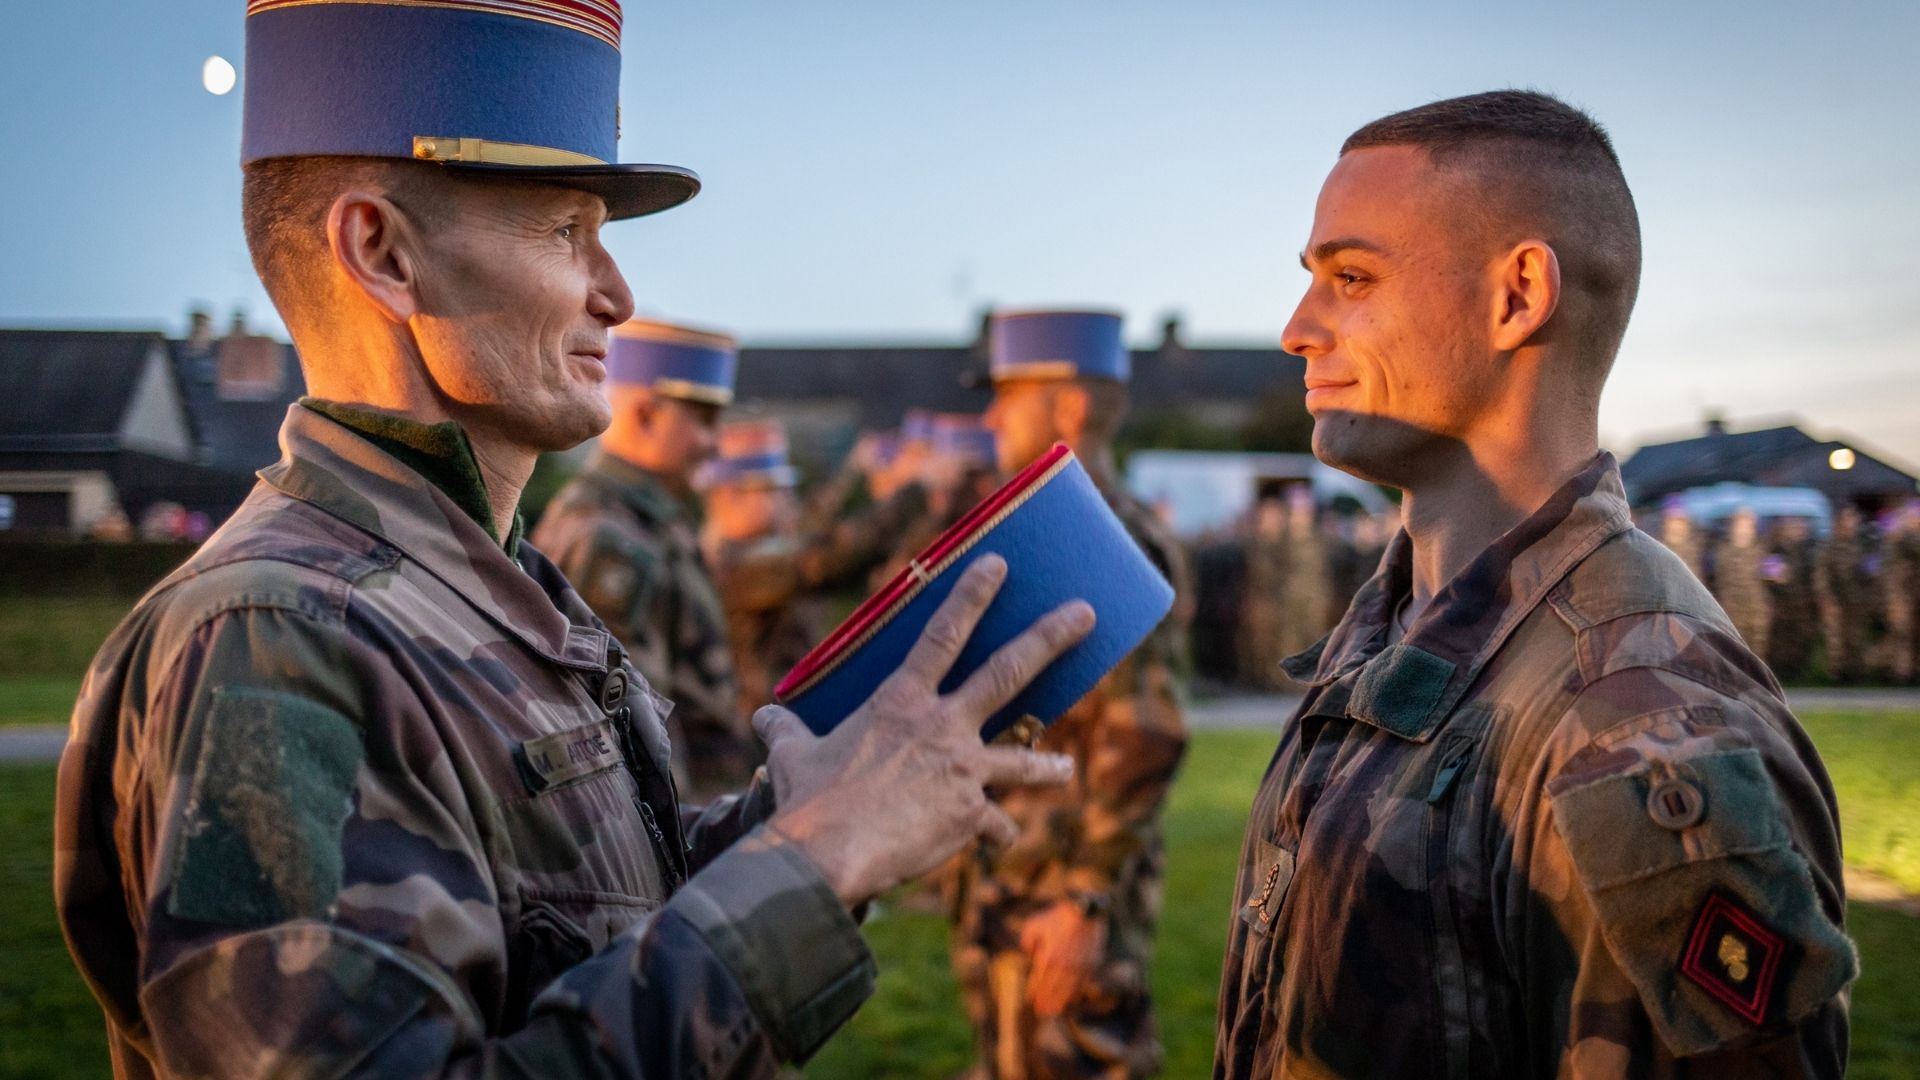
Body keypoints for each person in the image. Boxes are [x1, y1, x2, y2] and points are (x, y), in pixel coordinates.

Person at [53, 3, 1093, 1075]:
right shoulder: (272, 641)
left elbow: (586, 924)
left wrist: (815, 812)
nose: (619, 294)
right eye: (564, 233)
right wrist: (814, 863)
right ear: (383, 252)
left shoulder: (480, 584)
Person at [1216, 90, 1853, 1078]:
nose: (1299, 328)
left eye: (1351, 276)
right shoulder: (1389, 628)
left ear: (1517, 296)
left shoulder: (1643, 725)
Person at [951, 309, 1192, 1079]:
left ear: (1072, 407)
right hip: (1016, 876)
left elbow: (1145, 732)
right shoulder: (1050, 530)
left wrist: (1083, 898)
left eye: (1007, 396)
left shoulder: (1108, 539)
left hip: (1064, 893)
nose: (989, 417)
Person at [530, 319, 753, 801]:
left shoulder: (651, 520)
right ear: (647, 415)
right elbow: (636, 735)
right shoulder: (610, 538)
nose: (716, 444)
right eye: (703, 421)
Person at [700, 418, 928, 718]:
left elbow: (809, 531)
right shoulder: (738, 564)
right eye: (772, 490)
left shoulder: (737, 552)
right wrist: (919, 486)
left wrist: (851, 470)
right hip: (758, 728)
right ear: (729, 495)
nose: (788, 501)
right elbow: (831, 554)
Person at [1814, 506, 1868, 683]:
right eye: (1847, 520)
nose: (1850, 524)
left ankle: (1855, 673)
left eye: (1853, 520)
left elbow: (1868, 575)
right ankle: (1836, 674)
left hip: (1856, 600)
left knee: (1855, 637)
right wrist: (1825, 598)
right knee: (1836, 639)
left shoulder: (1860, 546)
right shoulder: (1829, 547)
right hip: (1836, 600)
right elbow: (1821, 574)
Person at [1713, 506, 1774, 659]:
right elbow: (1718, 578)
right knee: (1734, 643)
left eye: (1748, 525)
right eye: (1740, 525)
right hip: (1731, 605)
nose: (1744, 529)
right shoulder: (1723, 551)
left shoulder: (1762, 550)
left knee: (1757, 644)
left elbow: (1773, 575)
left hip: (1756, 605)